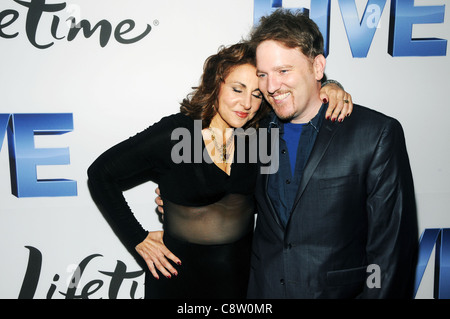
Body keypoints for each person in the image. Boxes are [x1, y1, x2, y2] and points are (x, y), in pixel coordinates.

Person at [87, 41, 352, 299]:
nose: (246, 103)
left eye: (257, 94)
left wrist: (331, 86)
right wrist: (138, 238)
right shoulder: (178, 134)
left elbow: (304, 107)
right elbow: (100, 174)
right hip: (176, 281)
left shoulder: (261, 137)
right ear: (216, 84)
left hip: (241, 282)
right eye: (237, 89)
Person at [246, 9, 418, 299]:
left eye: (283, 71)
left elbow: (391, 252)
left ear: (317, 67)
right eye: (263, 74)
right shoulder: (253, 133)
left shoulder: (375, 134)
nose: (271, 86)